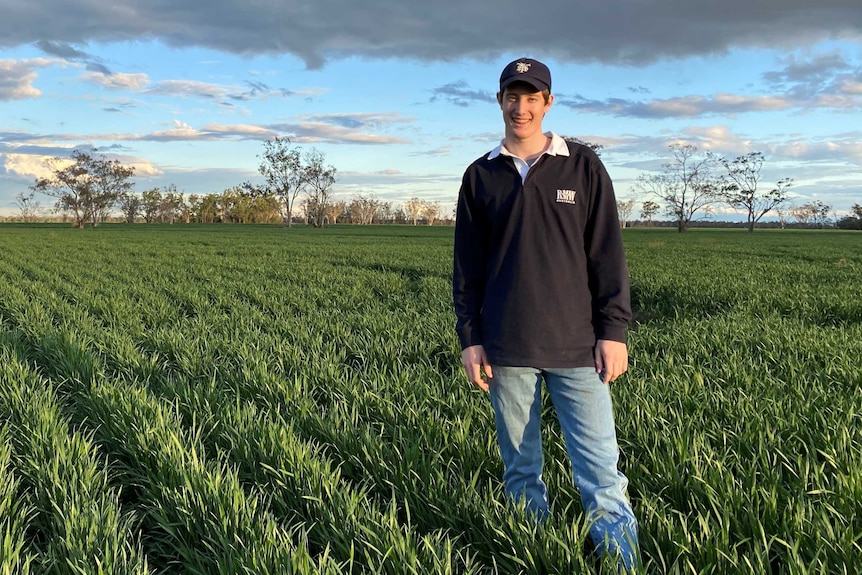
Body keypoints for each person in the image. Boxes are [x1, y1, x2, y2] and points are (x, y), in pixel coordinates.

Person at [452, 57, 639, 570]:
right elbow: (466, 269)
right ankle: (534, 559)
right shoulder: (481, 176)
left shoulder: (582, 166)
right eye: (512, 96)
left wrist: (613, 331)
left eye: (532, 97)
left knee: (601, 473)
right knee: (521, 473)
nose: (521, 107)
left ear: (548, 103)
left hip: (579, 348)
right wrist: (470, 338)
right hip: (507, 347)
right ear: (500, 102)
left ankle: (621, 563)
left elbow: (607, 254)